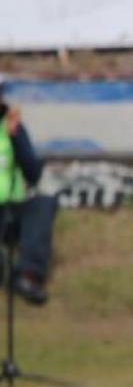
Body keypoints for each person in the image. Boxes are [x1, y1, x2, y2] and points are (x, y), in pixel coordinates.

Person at [0, 75, 58, 306]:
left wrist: (16, 138)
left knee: (43, 204)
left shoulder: (12, 127)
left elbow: (33, 173)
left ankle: (28, 275)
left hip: (11, 209)